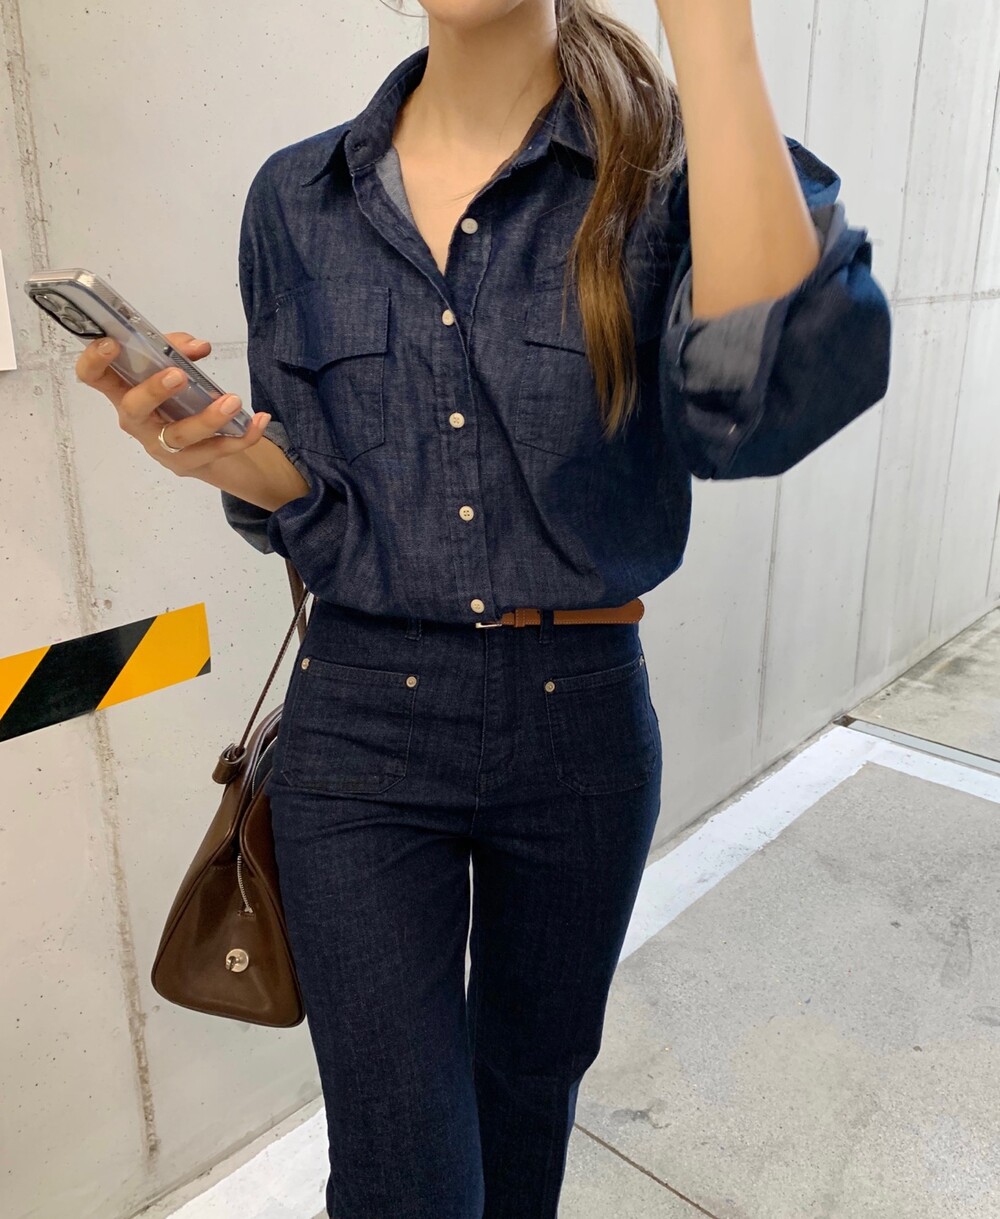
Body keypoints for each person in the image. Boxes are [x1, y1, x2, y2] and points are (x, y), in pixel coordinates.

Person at [76, 1, 891, 1215]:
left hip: (581, 724)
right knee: (403, 1171)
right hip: (358, 726)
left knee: (526, 1100)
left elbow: (763, 412)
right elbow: (305, 497)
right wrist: (227, 459)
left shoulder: (667, 169)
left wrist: (712, 29)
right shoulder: (298, 197)